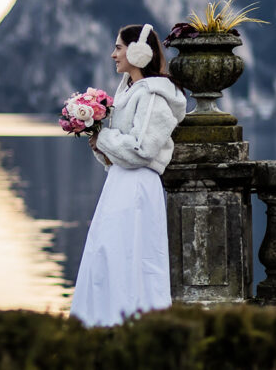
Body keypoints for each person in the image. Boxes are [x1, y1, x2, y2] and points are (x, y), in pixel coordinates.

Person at [69, 23, 187, 327]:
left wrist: (104, 139)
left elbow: (143, 149)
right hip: (119, 183)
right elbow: (118, 152)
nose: (113, 54)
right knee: (107, 253)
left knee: (132, 256)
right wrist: (96, 137)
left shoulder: (154, 97)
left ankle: (131, 324)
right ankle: (104, 322)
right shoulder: (128, 93)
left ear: (138, 51)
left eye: (119, 47)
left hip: (137, 187)